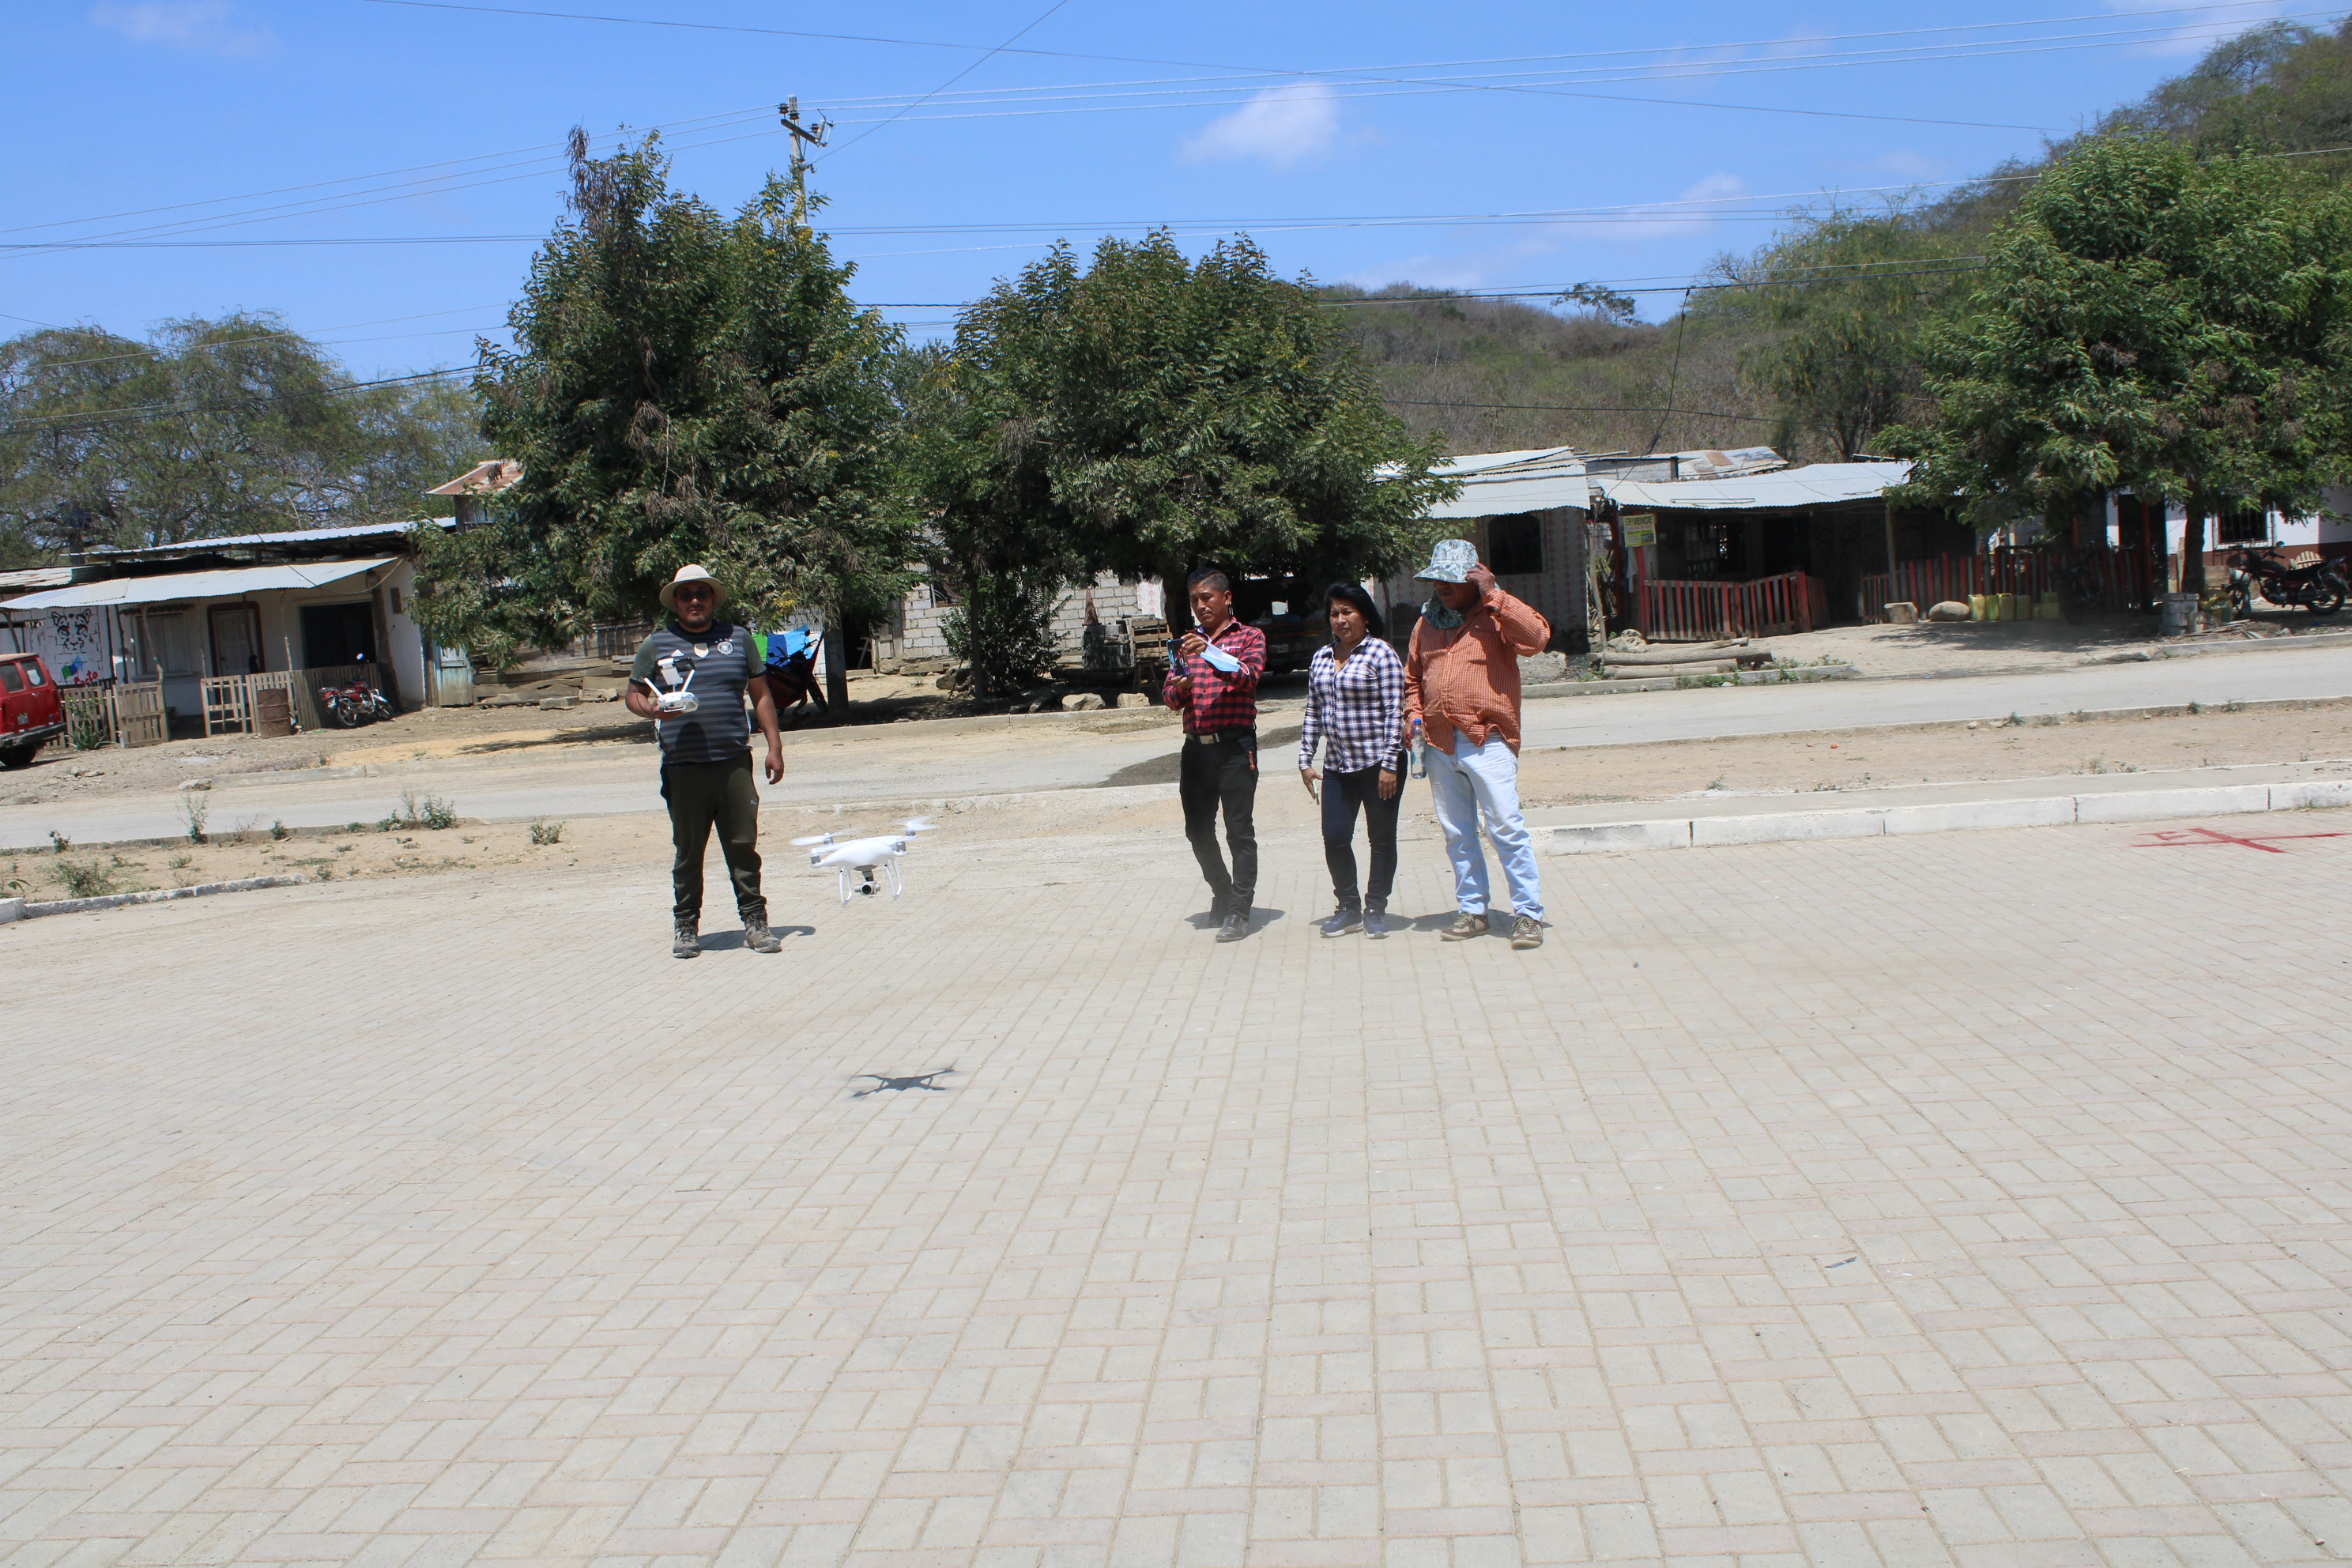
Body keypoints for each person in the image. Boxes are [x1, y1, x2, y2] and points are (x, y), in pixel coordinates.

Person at [626, 564, 788, 959]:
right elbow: (633, 695)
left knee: (743, 846)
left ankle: (755, 922)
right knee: (688, 851)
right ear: (675, 603)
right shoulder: (657, 644)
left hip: (733, 763)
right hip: (683, 767)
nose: (695, 600)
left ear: (713, 599)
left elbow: (761, 695)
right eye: (686, 595)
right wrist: (652, 710)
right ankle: (686, 926)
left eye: (702, 593)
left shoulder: (739, 638)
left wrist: (775, 747)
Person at [1404, 538, 1551, 950]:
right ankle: (1473, 911)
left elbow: (1537, 639)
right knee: (1457, 833)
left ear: (1473, 580)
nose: (1441, 586)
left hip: (1488, 740)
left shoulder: (1495, 616)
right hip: (1439, 743)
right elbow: (1412, 679)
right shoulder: (1425, 624)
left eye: (1451, 579)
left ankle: (1528, 915)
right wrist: (1413, 715)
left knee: (1505, 827)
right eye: (1437, 579)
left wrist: (1494, 594)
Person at [1163, 567, 1266, 942]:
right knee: (1197, 831)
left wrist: (1208, 652)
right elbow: (1170, 697)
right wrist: (1182, 686)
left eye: (1206, 597)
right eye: (1194, 600)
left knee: (1239, 832)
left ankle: (1239, 911)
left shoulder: (1249, 637)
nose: (1200, 605)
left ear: (1226, 598)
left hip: (1236, 747)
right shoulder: (1184, 645)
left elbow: (1248, 676)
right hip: (1196, 749)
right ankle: (1222, 893)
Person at [1298, 582, 1406, 938]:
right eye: (1334, 614)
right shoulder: (1321, 657)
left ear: (1365, 616)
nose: (1341, 620)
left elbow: (1395, 712)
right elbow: (1313, 711)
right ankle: (1348, 907)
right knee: (1335, 836)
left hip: (1379, 766)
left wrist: (1390, 764)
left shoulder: (1381, 654)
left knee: (1381, 839)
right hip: (1337, 767)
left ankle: (1375, 909)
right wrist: (1305, 759)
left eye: (1348, 612)